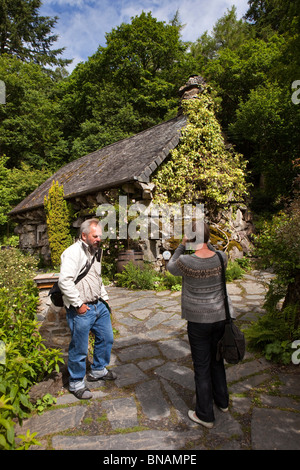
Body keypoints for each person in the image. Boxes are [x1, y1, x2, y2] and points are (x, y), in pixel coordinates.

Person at [167, 222, 233, 428]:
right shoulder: (221, 258)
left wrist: (182, 244)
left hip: (198, 321)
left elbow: (170, 267)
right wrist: (207, 243)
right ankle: (222, 402)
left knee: (202, 366)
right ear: (208, 237)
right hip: (220, 319)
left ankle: (205, 414)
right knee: (217, 360)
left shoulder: (186, 261)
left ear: (190, 238)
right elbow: (214, 251)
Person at [58, 218, 116, 399]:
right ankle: (76, 382)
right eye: (95, 235)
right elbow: (64, 281)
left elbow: (96, 277)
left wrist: (105, 300)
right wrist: (78, 304)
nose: (99, 239)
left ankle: (98, 370)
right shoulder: (72, 252)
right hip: (81, 309)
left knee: (107, 338)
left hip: (98, 305)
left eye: (100, 235)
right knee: (80, 347)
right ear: (84, 235)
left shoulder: (96, 252)